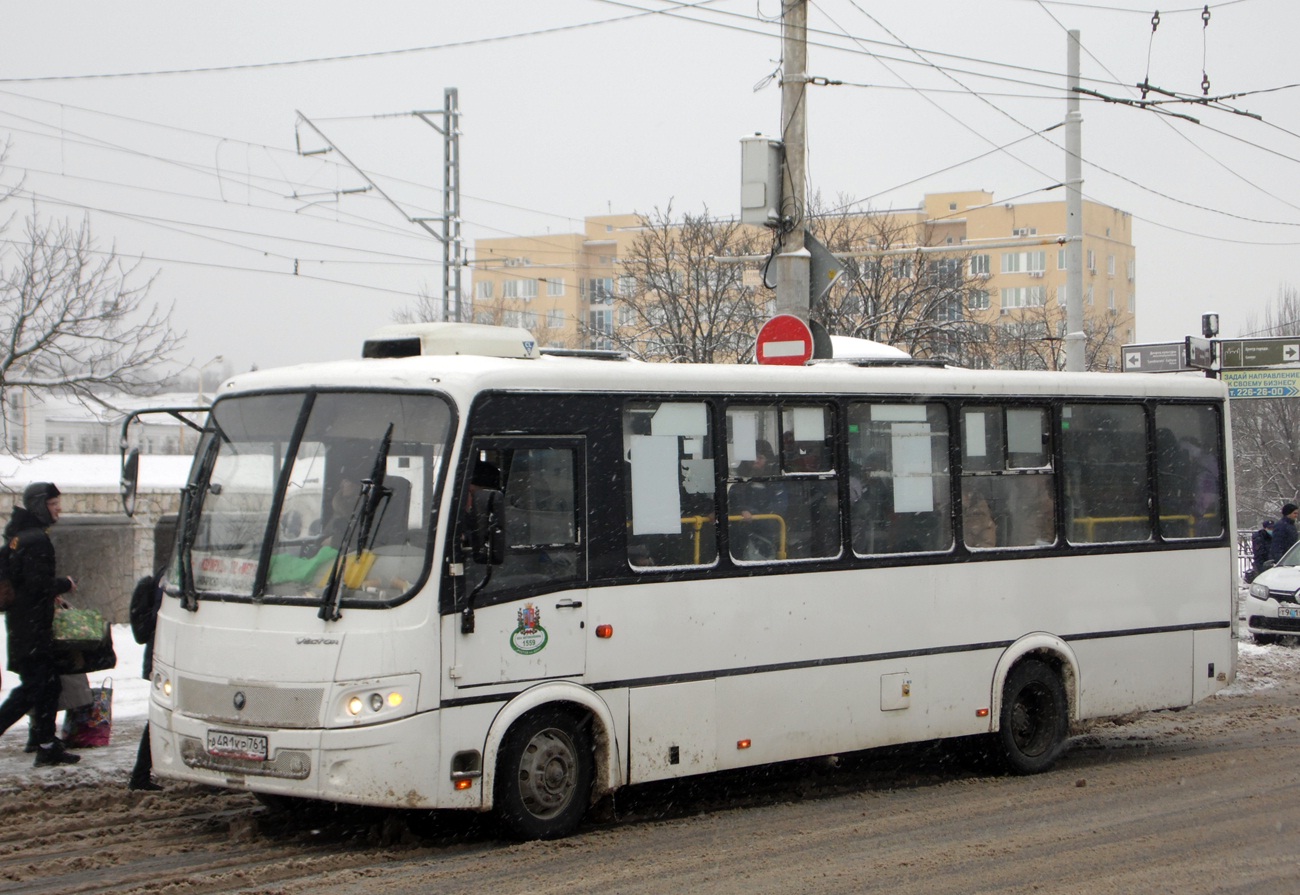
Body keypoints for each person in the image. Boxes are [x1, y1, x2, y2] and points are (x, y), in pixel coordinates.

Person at [0, 482, 81, 767]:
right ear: (38, 506)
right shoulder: (36, 540)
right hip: (33, 628)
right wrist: (64, 584)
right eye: (53, 504)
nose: (58, 509)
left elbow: (19, 583)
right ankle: (43, 742)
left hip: (22, 625)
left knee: (47, 685)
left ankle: (45, 743)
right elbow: (37, 584)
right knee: (34, 688)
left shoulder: (17, 537)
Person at [127, 572, 164, 791]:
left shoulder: (166, 574)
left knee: (159, 716)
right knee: (159, 717)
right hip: (166, 655)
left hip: (160, 654)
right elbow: (159, 618)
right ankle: (140, 775)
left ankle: (140, 775)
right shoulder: (171, 578)